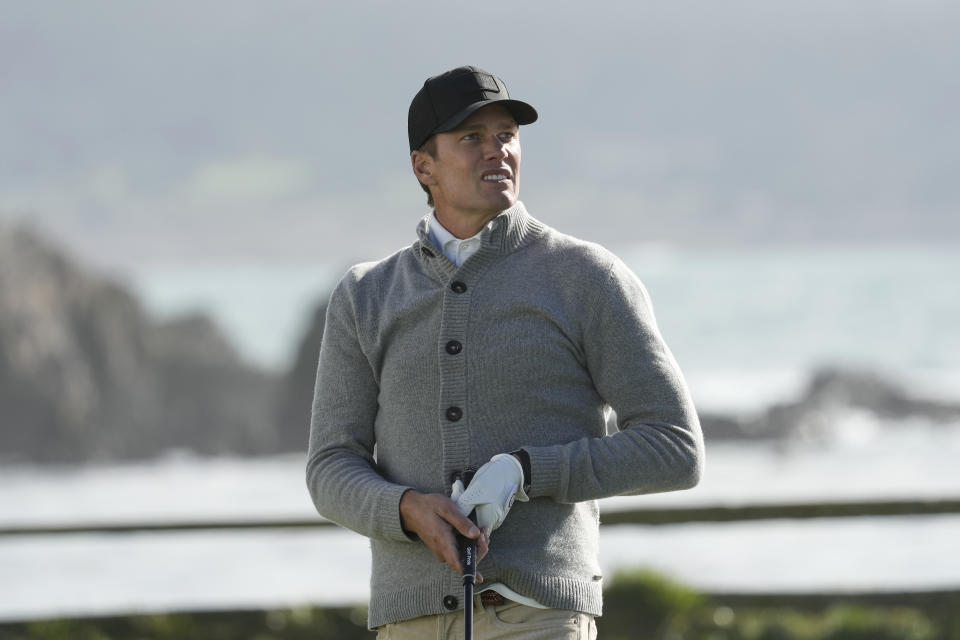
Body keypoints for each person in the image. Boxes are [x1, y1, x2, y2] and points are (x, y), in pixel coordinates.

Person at [306, 65, 704, 639]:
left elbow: (676, 448)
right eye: (471, 138)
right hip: (409, 621)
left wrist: (525, 471)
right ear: (424, 166)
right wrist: (406, 509)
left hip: (538, 616)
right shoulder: (365, 295)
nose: (497, 151)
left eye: (506, 135)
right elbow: (329, 467)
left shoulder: (586, 277)